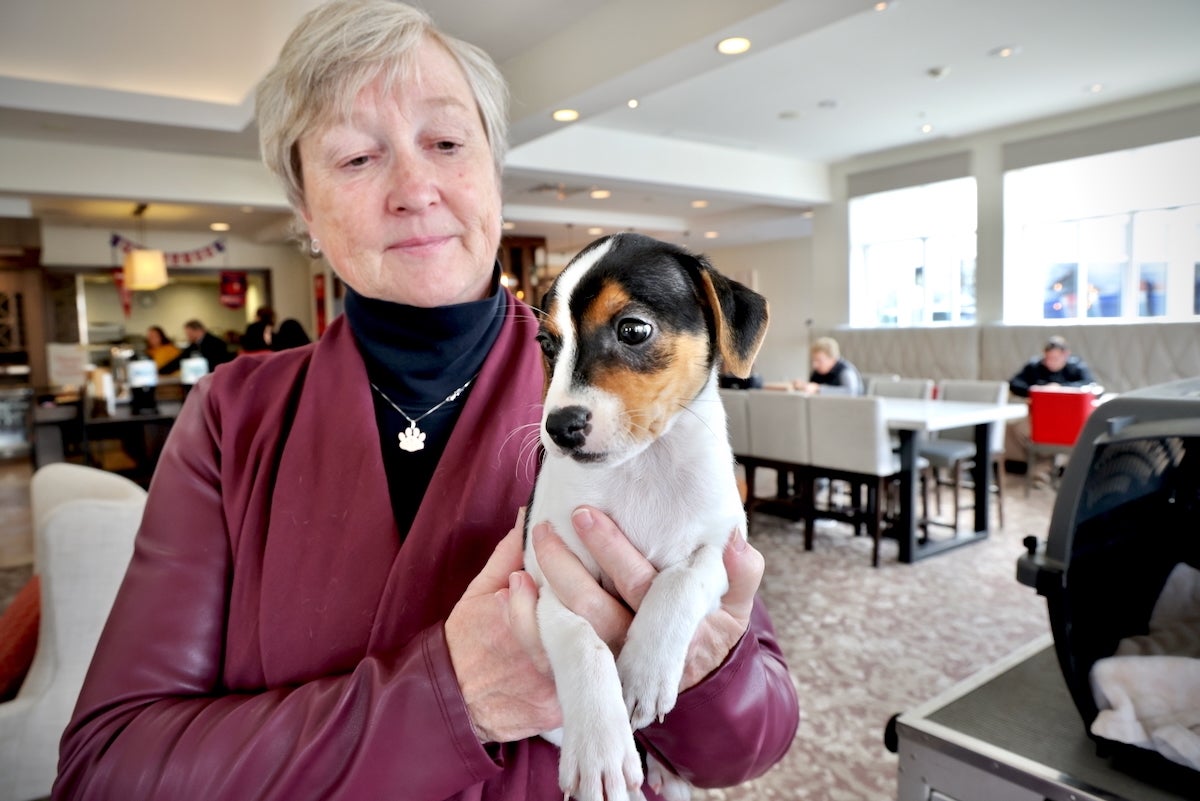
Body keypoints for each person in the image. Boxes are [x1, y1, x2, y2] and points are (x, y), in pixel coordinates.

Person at [52, 3, 799, 799]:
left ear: (492, 172)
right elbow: (107, 767)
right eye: (355, 157)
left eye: (445, 143)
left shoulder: (627, 401)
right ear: (305, 212)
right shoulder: (233, 417)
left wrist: (701, 662)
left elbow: (751, 742)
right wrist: (451, 698)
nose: (415, 188)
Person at [1008, 335, 1096, 397]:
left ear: (1066, 355)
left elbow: (1089, 384)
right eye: (1048, 358)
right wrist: (1037, 390)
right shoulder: (1034, 367)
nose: (1050, 362)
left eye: (1055, 358)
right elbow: (1014, 383)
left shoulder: (1076, 367)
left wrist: (1060, 388)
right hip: (1040, 406)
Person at [158, 318, 235, 375]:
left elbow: (217, 364)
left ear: (197, 330)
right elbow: (179, 360)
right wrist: (160, 371)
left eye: (189, 333)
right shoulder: (195, 344)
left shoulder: (216, 343)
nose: (188, 336)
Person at [794, 336, 863, 395]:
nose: (814, 365)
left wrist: (818, 389)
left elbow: (850, 392)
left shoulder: (845, 371)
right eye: (813, 360)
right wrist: (804, 386)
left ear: (832, 358)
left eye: (819, 360)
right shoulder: (818, 373)